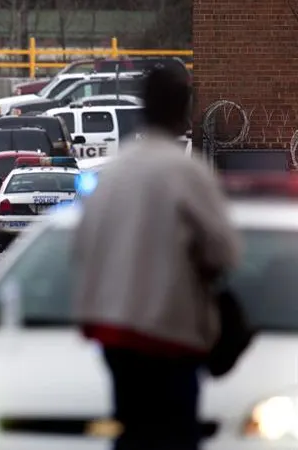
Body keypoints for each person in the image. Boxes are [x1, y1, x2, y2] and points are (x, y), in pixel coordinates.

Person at [71, 67, 240, 450]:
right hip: (170, 333)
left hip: (114, 332)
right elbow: (226, 251)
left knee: (132, 430)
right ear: (183, 110)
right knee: (175, 435)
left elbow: (81, 247)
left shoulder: (113, 174)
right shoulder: (185, 171)